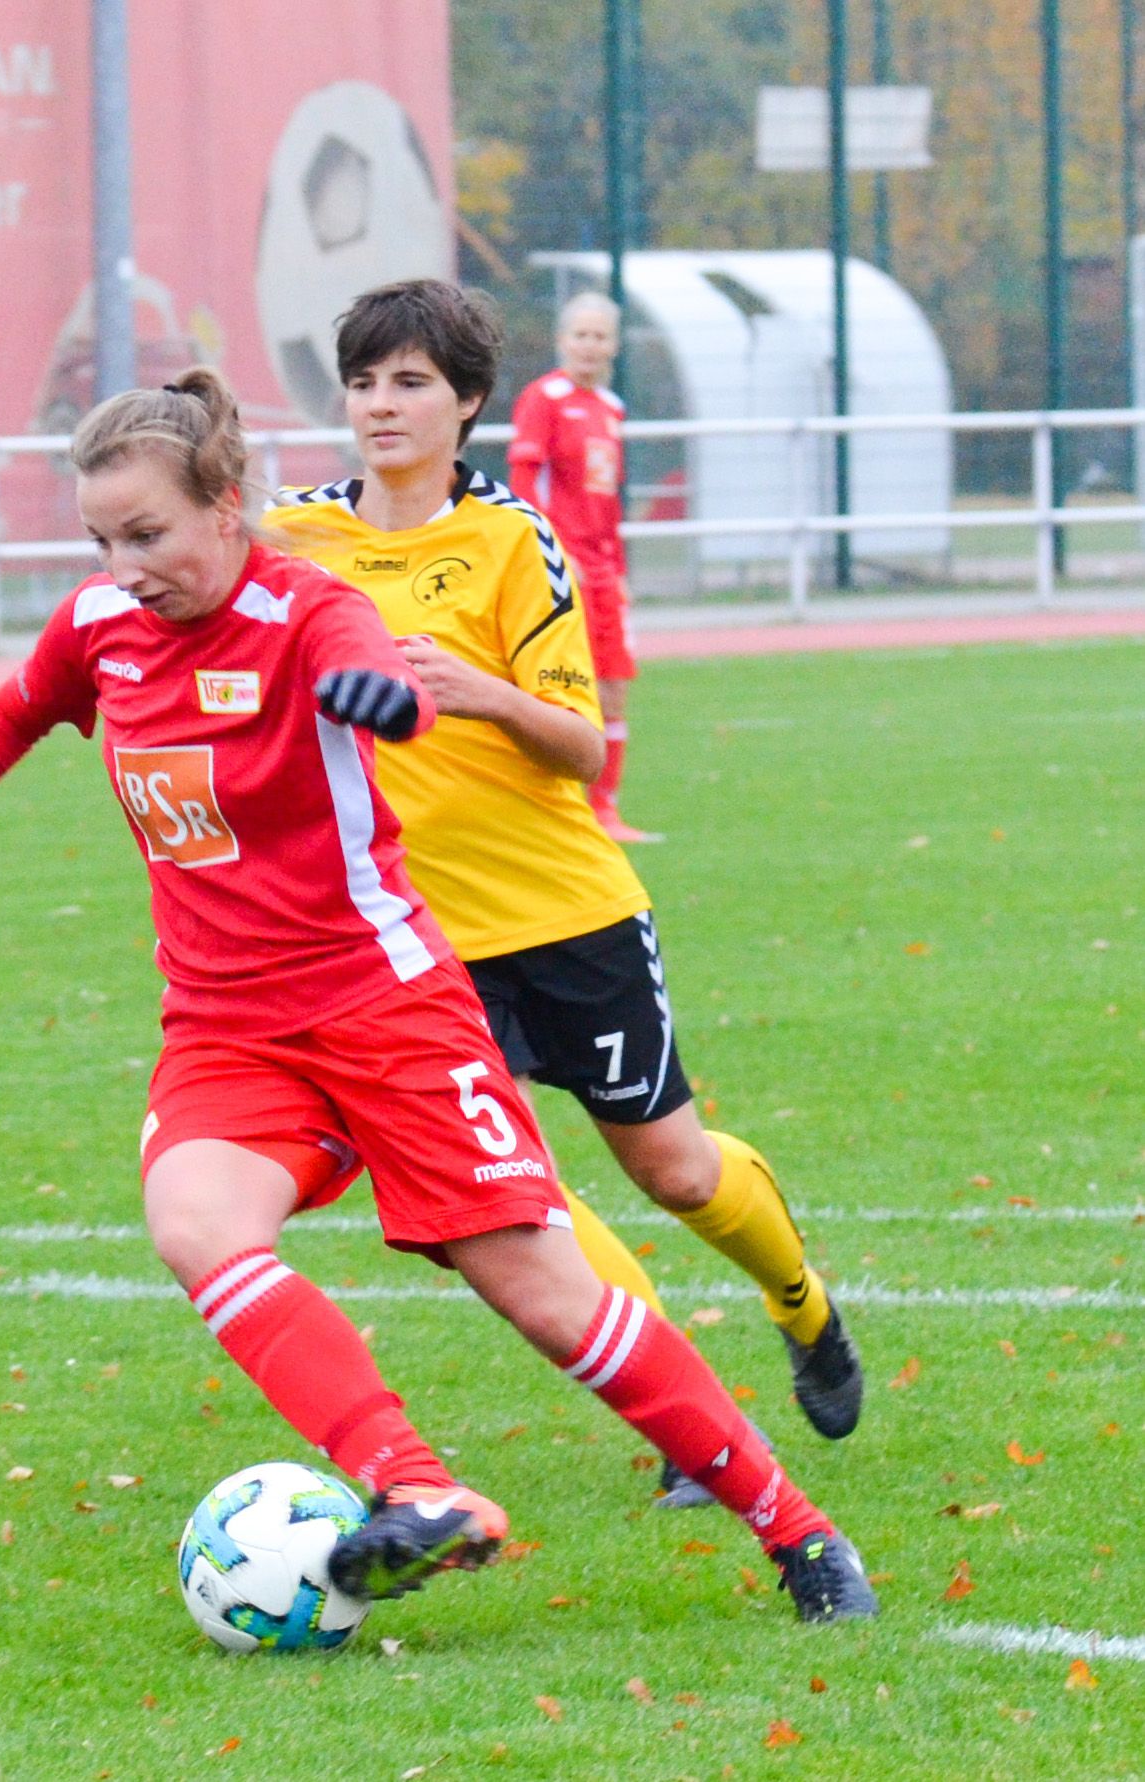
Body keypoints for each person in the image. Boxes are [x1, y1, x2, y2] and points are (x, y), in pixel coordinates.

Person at [0, 368, 874, 1621]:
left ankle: (800, 1534)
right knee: (197, 1226)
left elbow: (366, 655)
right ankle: (420, 1491)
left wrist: (385, 697)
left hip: (389, 1013)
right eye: (101, 540)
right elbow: (16, 711)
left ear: (226, 506)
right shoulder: (103, 623)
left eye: (146, 535)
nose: (122, 567)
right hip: (227, 1030)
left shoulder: (306, 608)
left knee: (548, 1300)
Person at [263, 280, 866, 1499]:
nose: (381, 405)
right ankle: (686, 1414)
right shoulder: (291, 539)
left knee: (675, 1171)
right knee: (512, 1192)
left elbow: (584, 750)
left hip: (564, 911)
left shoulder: (511, 540)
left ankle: (803, 1305)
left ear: (469, 401)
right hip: (411, 943)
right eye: (364, 382)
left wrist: (478, 692)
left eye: (410, 382)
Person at [507, 291, 650, 840]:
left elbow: (606, 500)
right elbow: (524, 482)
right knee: (562, 686)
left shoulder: (610, 408)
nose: (589, 345)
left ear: (614, 345)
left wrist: (619, 569)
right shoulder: (543, 398)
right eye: (580, 334)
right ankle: (553, 810)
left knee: (614, 687)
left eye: (600, 336)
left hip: (603, 568)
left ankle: (605, 811)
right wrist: (553, 551)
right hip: (563, 566)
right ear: (562, 340)